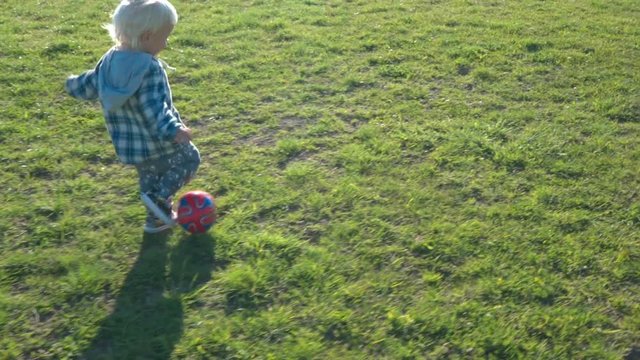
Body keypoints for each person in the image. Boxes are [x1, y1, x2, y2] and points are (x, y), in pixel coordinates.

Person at [65, 0, 200, 233]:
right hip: (157, 141)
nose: (166, 44)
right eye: (164, 37)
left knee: (149, 178)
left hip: (131, 147)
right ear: (147, 36)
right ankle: (160, 198)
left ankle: (156, 220)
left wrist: (72, 84)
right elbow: (154, 108)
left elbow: (90, 83)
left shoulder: (109, 60)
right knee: (190, 158)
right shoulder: (149, 68)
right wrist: (174, 130)